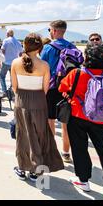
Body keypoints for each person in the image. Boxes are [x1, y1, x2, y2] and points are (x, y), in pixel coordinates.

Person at [58, 45, 103, 197]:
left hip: (77, 116)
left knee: (79, 149)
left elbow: (62, 88)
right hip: (99, 118)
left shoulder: (76, 73)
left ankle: (84, 181)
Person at [11, 33, 64, 181]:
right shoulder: (44, 65)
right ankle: (36, 170)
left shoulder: (16, 62)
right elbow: (45, 88)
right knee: (39, 134)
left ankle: (22, 167)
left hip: (21, 101)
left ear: (24, 45)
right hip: (39, 101)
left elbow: (14, 87)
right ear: (40, 47)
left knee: (22, 135)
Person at [40, 20, 78, 163]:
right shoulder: (72, 47)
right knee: (65, 122)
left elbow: (43, 68)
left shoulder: (48, 48)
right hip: (68, 89)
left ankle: (51, 151)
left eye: (49, 29)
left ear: (54, 31)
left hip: (52, 88)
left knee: (50, 121)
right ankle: (66, 153)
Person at [0, 29, 23, 97]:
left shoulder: (6, 40)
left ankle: (4, 91)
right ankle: (11, 90)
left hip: (6, 61)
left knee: (2, 76)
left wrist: (4, 56)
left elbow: (3, 50)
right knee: (12, 77)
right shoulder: (18, 42)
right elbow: (21, 53)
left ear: (7, 34)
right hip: (14, 62)